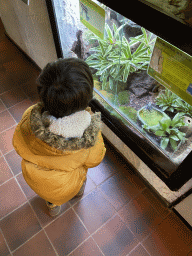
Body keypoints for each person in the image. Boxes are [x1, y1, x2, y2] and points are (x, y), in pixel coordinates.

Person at [12, 58, 106, 217]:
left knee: (50, 193)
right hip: (65, 185)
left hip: (36, 180)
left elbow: (18, 142)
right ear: (86, 99)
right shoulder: (88, 138)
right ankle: (78, 191)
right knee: (78, 177)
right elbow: (95, 159)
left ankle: (52, 206)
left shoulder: (30, 115)